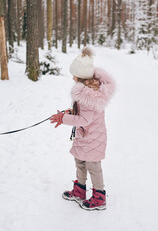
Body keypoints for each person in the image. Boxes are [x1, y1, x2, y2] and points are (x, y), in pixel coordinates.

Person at [50, 47, 115, 211]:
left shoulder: (88, 94)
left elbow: (85, 119)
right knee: (80, 162)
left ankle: (99, 198)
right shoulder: (87, 89)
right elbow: (85, 114)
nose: (72, 77)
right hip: (85, 137)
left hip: (92, 138)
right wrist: (71, 112)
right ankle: (79, 191)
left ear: (81, 76)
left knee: (93, 166)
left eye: (74, 74)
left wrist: (63, 119)